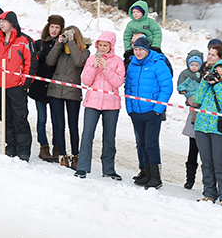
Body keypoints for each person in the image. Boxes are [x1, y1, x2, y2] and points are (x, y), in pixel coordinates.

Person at [123, 35, 172, 189]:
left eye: (140, 50)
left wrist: (158, 109)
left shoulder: (158, 63)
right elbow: (128, 88)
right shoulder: (132, 64)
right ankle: (147, 174)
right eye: (135, 49)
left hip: (152, 112)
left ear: (147, 49)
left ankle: (156, 178)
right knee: (142, 144)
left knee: (151, 144)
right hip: (136, 111)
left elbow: (166, 88)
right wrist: (130, 108)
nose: (137, 52)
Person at [76, 30, 125, 180]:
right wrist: (94, 68)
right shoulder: (91, 59)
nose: (102, 48)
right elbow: (85, 81)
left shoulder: (117, 61)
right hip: (93, 102)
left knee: (109, 137)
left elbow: (118, 82)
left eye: (105, 45)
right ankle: (82, 167)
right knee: (87, 134)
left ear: (111, 46)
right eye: (100, 45)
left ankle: (109, 169)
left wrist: (106, 68)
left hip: (111, 105)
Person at [190, 60, 222, 206]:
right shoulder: (208, 86)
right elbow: (197, 99)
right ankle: (209, 193)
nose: (219, 77)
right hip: (202, 127)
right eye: (217, 74)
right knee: (206, 162)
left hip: (219, 129)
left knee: (220, 162)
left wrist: (217, 85)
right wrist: (205, 82)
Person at [0, 10, 32, 160]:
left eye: (4, 21)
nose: (1, 24)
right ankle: (11, 146)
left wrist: (25, 82)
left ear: (12, 23)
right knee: (5, 117)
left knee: (19, 118)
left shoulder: (24, 41)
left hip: (16, 86)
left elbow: (30, 61)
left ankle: (23, 150)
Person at [47, 25, 89, 165]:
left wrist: (71, 43)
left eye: (69, 35)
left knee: (73, 125)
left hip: (72, 92)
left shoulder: (85, 51)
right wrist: (59, 44)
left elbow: (79, 62)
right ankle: (62, 155)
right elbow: (49, 61)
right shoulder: (60, 50)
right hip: (56, 91)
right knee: (59, 125)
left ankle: (75, 155)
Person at [28, 15, 63, 161]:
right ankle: (43, 146)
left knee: (56, 120)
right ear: (48, 27)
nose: (54, 30)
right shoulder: (39, 44)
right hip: (39, 87)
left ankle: (57, 146)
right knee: (42, 118)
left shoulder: (62, 45)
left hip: (55, 88)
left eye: (57, 27)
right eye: (52, 27)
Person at [177, 50, 205, 189]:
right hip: (195, 112)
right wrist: (188, 97)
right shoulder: (188, 74)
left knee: (207, 153)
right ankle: (190, 179)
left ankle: (209, 184)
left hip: (209, 116)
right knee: (193, 149)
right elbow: (184, 86)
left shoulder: (206, 72)